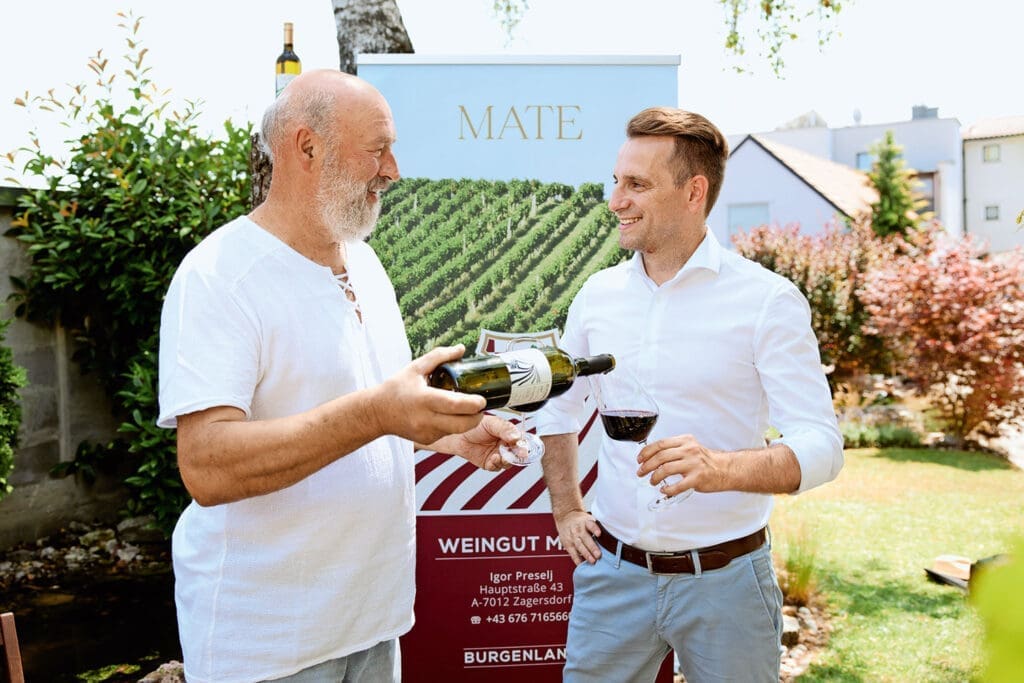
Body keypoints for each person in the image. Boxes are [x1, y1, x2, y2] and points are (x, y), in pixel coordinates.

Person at [157, 69, 522, 683]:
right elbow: (206, 465)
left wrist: (443, 436)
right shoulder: (218, 276)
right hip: (270, 645)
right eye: (378, 149)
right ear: (306, 147)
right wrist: (379, 413)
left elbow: (352, 411)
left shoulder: (364, 260)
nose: (394, 170)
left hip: (372, 623)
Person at [536, 107, 843, 682]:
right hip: (614, 576)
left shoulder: (767, 301)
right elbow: (559, 406)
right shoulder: (597, 296)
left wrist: (720, 468)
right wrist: (567, 508)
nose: (615, 200)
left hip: (727, 583)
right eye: (616, 181)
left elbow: (824, 447)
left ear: (693, 191)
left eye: (637, 185)